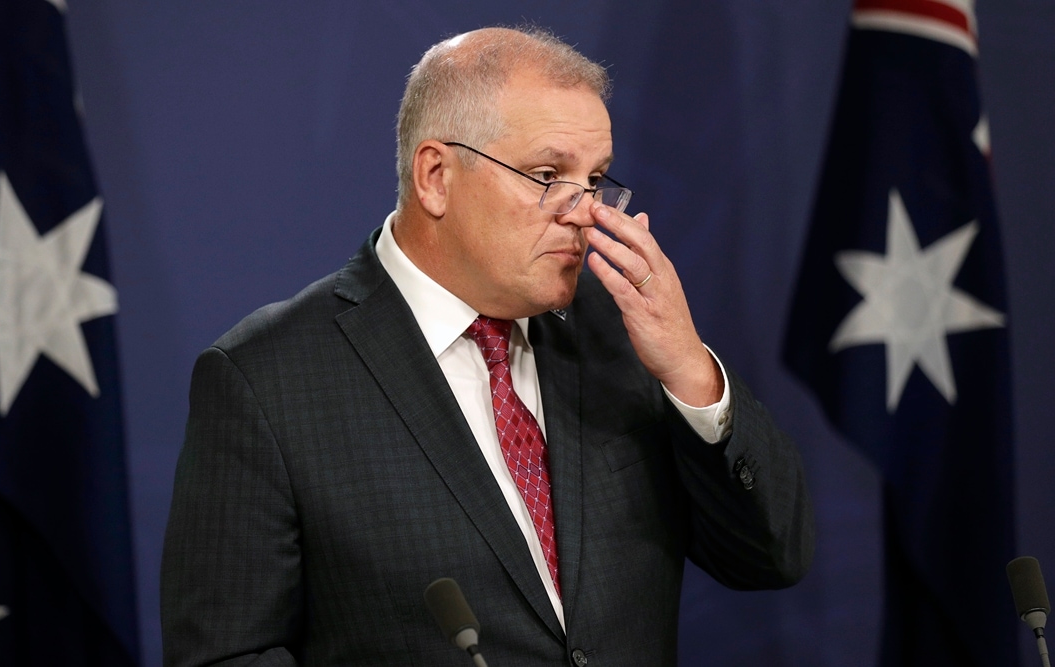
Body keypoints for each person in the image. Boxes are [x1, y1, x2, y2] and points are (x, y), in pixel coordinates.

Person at [161, 26, 814, 667]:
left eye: (596, 179)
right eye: (547, 172)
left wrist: (689, 370)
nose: (585, 210)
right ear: (437, 176)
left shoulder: (626, 334)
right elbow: (227, 652)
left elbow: (770, 556)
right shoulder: (266, 379)